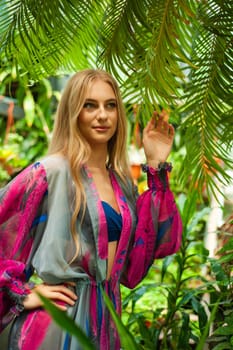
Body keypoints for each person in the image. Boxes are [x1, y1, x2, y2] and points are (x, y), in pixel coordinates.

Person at [0, 69, 182, 350]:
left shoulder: (121, 183)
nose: (102, 115)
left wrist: (156, 166)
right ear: (74, 112)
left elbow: (134, 268)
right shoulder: (51, 172)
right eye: (90, 105)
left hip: (106, 323)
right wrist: (22, 294)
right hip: (58, 324)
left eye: (110, 105)